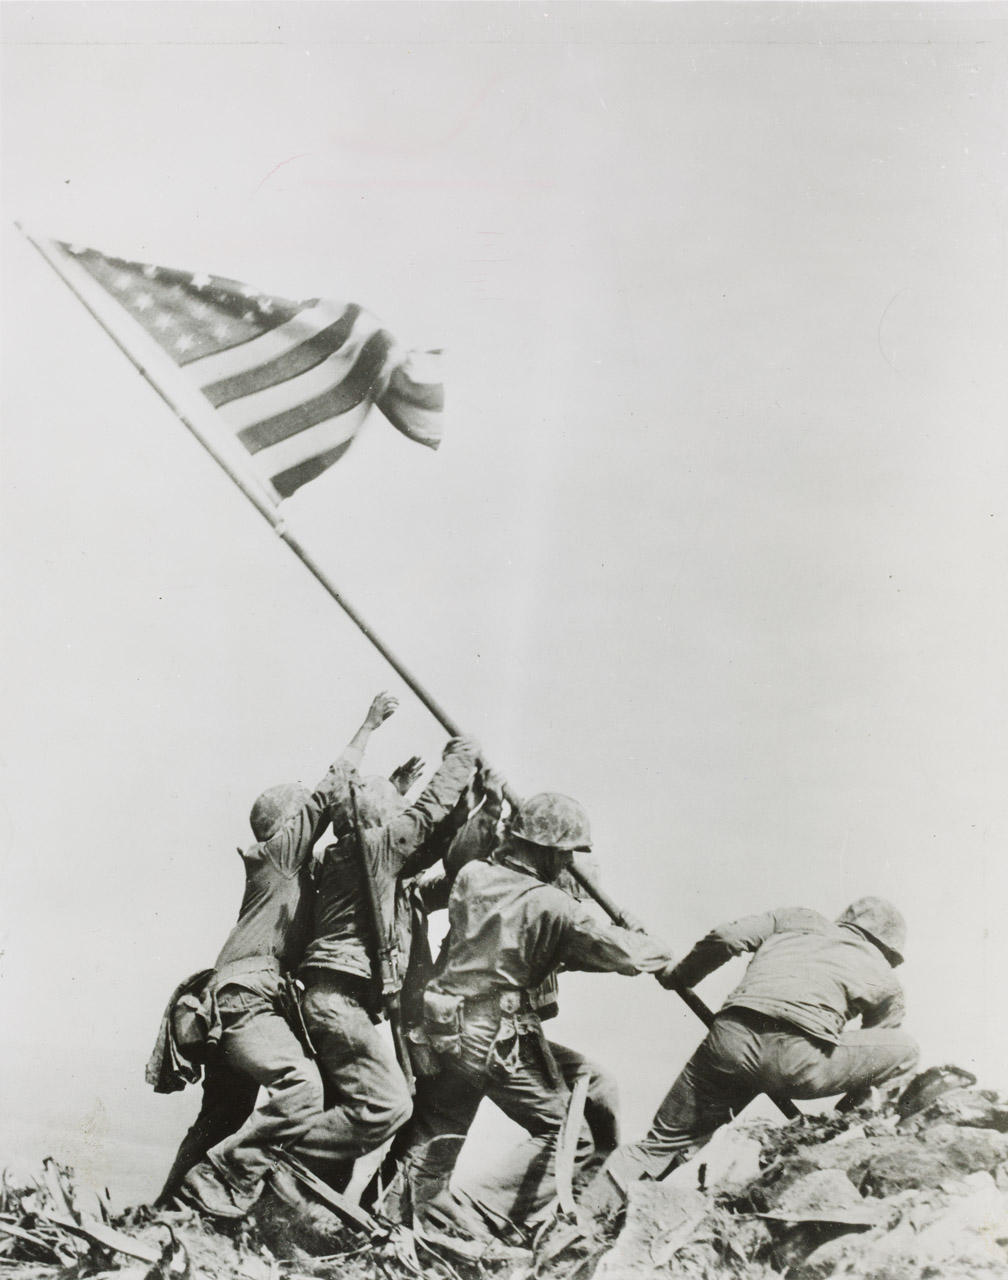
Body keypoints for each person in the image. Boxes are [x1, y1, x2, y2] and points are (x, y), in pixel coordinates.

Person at [174, 692, 399, 1219]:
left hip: (242, 1003)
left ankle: (173, 1210)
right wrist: (367, 726)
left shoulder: (292, 875)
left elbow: (354, 838)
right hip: (245, 1001)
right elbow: (326, 797)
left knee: (221, 1117)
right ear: (286, 825)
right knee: (303, 1087)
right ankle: (229, 1185)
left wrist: (392, 794)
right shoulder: (276, 856)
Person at [409, 791, 677, 1230]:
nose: (568, 861)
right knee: (568, 1137)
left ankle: (398, 1213)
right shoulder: (554, 906)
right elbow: (631, 956)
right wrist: (643, 936)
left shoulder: (474, 876)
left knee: (592, 1089)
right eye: (566, 852)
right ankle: (471, 1219)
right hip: (496, 1033)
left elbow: (527, 942)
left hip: (447, 1026)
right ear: (549, 850)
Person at [583, 896, 920, 1215]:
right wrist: (846, 1112)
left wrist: (680, 977)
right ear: (888, 950)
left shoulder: (797, 919)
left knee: (658, 1145)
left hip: (728, 1042)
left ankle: (578, 1221)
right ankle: (852, 1124)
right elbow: (877, 1050)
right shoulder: (886, 980)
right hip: (796, 1061)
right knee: (906, 1050)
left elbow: (726, 937)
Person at [289, 733, 481, 1190]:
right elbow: (424, 816)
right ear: (380, 818)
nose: (403, 816)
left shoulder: (363, 859)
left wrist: (469, 804)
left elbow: (432, 843)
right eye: (396, 808)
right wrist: (459, 760)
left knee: (349, 1113)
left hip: (340, 1003)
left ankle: (305, 1204)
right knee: (387, 1106)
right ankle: (271, 1157)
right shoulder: (370, 848)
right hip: (337, 1003)